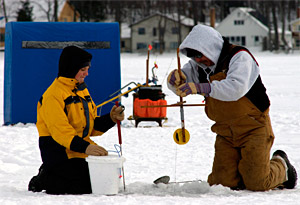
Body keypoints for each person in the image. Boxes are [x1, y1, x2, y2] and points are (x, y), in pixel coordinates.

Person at [167, 25, 297, 191]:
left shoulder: (239, 57)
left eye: (199, 54)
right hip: (225, 132)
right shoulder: (198, 67)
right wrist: (174, 80)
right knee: (221, 185)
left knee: (257, 183)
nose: (197, 60)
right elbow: (181, 83)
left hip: (253, 128)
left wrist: (201, 88)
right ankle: (245, 172)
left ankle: (282, 166)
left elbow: (235, 88)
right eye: (193, 56)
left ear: (210, 47)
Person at [28, 46, 124, 194]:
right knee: (85, 185)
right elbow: (61, 132)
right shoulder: (53, 96)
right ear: (71, 68)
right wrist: (87, 147)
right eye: (83, 69)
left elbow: (90, 127)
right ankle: (46, 176)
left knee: (104, 179)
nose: (87, 73)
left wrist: (110, 119)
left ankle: (56, 174)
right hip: (59, 152)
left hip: (79, 150)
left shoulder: (81, 90)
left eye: (87, 68)